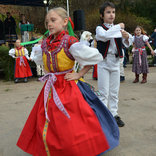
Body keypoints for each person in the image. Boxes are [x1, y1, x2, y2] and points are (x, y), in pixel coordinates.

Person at [17, 7, 119, 155]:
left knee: (70, 122)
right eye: (47, 22)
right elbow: (41, 62)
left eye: (53, 20)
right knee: (48, 118)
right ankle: (52, 147)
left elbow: (95, 57)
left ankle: (73, 147)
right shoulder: (45, 44)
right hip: (51, 87)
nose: (49, 24)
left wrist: (79, 74)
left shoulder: (70, 42)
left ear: (65, 22)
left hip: (68, 87)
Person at [95, 1, 133, 127]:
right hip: (104, 62)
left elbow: (128, 42)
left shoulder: (118, 29)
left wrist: (127, 37)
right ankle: (102, 114)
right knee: (103, 91)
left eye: (113, 12)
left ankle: (114, 113)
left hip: (116, 61)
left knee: (114, 91)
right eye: (108, 12)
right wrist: (119, 27)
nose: (111, 15)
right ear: (102, 15)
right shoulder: (100, 29)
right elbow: (105, 36)